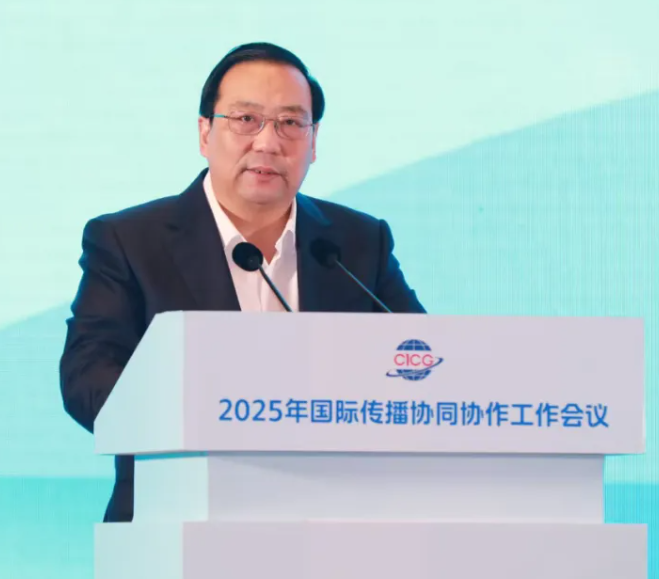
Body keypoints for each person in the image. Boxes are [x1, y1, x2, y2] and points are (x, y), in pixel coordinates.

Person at [59, 42, 425, 522]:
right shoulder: (129, 240)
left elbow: (423, 364)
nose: (268, 142)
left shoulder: (357, 243)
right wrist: (208, 417)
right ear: (205, 132)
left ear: (314, 141)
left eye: (290, 123)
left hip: (335, 520)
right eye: (246, 119)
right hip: (176, 518)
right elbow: (87, 379)